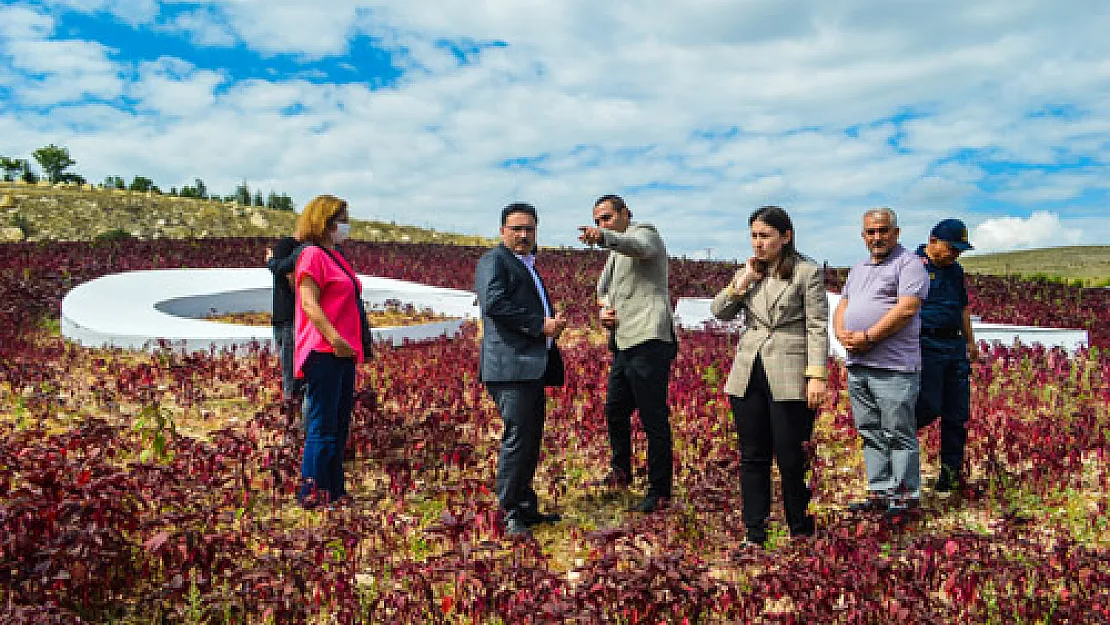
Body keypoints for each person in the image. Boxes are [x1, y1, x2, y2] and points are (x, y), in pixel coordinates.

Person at [710, 206, 829, 546]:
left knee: (792, 457)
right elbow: (719, 312)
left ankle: (800, 530)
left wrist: (816, 375)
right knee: (752, 455)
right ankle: (754, 532)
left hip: (790, 371)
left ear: (786, 236)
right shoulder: (748, 271)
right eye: (753, 236)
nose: (758, 244)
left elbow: (817, 327)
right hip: (748, 372)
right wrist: (743, 281)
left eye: (765, 236)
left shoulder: (806, 272)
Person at [578, 194, 677, 513]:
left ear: (625, 214)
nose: (601, 225)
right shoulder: (613, 256)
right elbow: (603, 291)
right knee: (615, 409)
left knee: (653, 417)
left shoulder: (645, 232)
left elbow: (640, 247)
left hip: (649, 338)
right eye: (597, 221)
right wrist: (605, 310)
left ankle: (659, 491)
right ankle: (621, 472)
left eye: (606, 218)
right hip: (623, 342)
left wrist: (605, 238)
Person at [475, 202, 567, 537]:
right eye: (517, 228)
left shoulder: (527, 265)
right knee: (518, 438)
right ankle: (508, 512)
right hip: (510, 367)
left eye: (529, 228)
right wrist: (539, 325)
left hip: (529, 367)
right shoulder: (495, 260)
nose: (524, 235)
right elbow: (495, 304)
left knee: (529, 438)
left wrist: (551, 326)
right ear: (502, 231)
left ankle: (525, 507)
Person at [833, 207, 929, 518]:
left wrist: (869, 336)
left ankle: (904, 498)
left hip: (893, 367)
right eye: (871, 232)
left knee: (898, 431)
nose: (877, 237)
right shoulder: (859, 268)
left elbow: (906, 309)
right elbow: (843, 304)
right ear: (863, 236)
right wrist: (839, 331)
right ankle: (880, 491)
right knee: (870, 430)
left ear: (896, 233)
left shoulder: (909, 265)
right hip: (859, 364)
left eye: (883, 230)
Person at [293, 194, 367, 507]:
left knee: (338, 424)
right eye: (341, 219)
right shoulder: (312, 255)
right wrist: (335, 338)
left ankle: (334, 490)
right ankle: (312, 492)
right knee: (322, 425)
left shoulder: (334, 255)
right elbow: (309, 302)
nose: (345, 226)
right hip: (325, 350)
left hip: (343, 352)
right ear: (325, 222)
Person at [915, 219, 977, 492]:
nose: (955, 254)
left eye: (959, 250)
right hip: (925, 344)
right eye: (951, 248)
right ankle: (897, 453)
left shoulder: (955, 271)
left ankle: (950, 477)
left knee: (957, 413)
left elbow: (962, 308)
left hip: (954, 346)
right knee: (928, 405)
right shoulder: (912, 265)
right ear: (933, 241)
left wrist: (970, 342)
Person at [266, 233, 305, 407]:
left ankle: (293, 404)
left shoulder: (295, 247)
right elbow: (290, 278)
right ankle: (292, 407)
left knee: (293, 368)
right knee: (291, 370)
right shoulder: (290, 246)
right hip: (289, 317)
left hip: (288, 317)